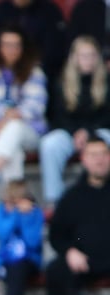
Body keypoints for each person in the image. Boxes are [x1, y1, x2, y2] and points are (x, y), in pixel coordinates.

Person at [45, 137, 110, 295]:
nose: (99, 160)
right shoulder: (71, 196)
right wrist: (70, 251)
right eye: (93, 155)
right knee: (56, 269)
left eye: (104, 154)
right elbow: (56, 234)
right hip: (84, 261)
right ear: (84, 159)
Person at [0, 26, 49, 193]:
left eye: (16, 45)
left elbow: (36, 107)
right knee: (13, 152)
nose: (11, 50)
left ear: (23, 48)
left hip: (29, 132)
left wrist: (5, 121)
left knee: (14, 128)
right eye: (7, 45)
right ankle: (13, 201)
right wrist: (3, 116)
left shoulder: (34, 72)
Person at [39, 35, 110, 207]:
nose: (88, 60)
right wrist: (75, 133)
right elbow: (57, 117)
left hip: (98, 132)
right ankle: (55, 201)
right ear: (75, 58)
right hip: (69, 134)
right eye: (84, 55)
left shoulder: (107, 81)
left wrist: (88, 132)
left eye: (92, 55)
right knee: (50, 144)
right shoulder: (61, 81)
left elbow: (107, 116)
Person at [0, 180, 44, 295]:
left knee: (18, 268)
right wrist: (14, 215)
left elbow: (32, 242)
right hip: (5, 260)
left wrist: (26, 217)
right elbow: (2, 235)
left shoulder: (35, 214)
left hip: (29, 261)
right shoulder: (0, 212)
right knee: (14, 269)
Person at [0, 0, 67, 81]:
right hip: (1, 70)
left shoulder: (49, 10)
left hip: (40, 70)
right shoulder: (2, 9)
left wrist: (36, 69)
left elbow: (55, 50)